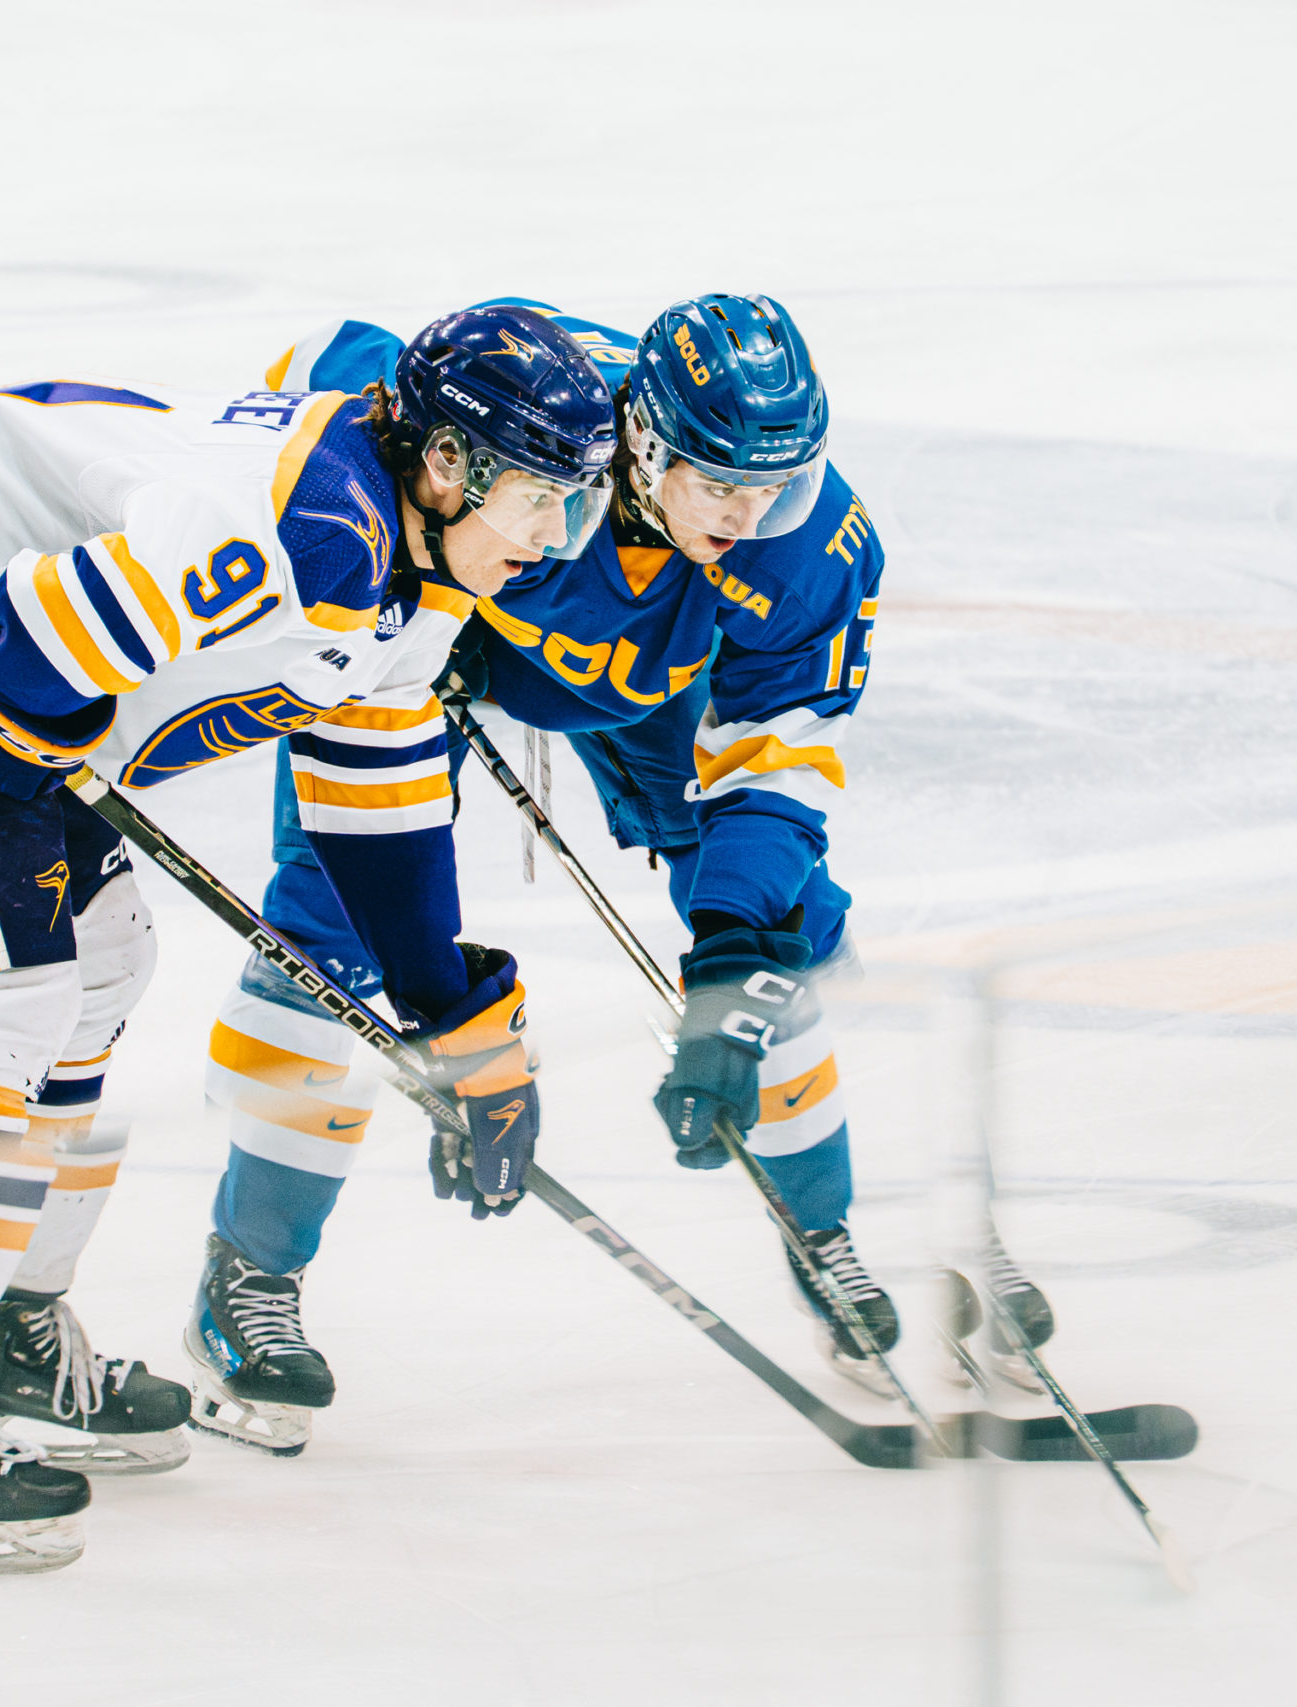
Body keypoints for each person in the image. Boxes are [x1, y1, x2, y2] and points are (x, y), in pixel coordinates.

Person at [0, 305, 614, 1570]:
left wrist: (451, 1015)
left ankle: (4, 1335)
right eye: (541, 501)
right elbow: (54, 629)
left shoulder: (416, 573)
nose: (553, 540)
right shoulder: (308, 527)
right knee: (1, 1000)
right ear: (446, 467)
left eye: (573, 509)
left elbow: (370, 800)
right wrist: (29, 730)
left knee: (104, 965)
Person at [192, 294, 1054, 1418]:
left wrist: (736, 960)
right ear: (642, 446)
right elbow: (329, 367)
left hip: (657, 689)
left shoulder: (809, 549)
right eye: (718, 486)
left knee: (773, 936)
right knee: (333, 930)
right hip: (447, 639)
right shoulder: (541, 423)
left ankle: (824, 1231)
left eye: (776, 486)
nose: (749, 519)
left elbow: (780, 762)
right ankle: (250, 1273)